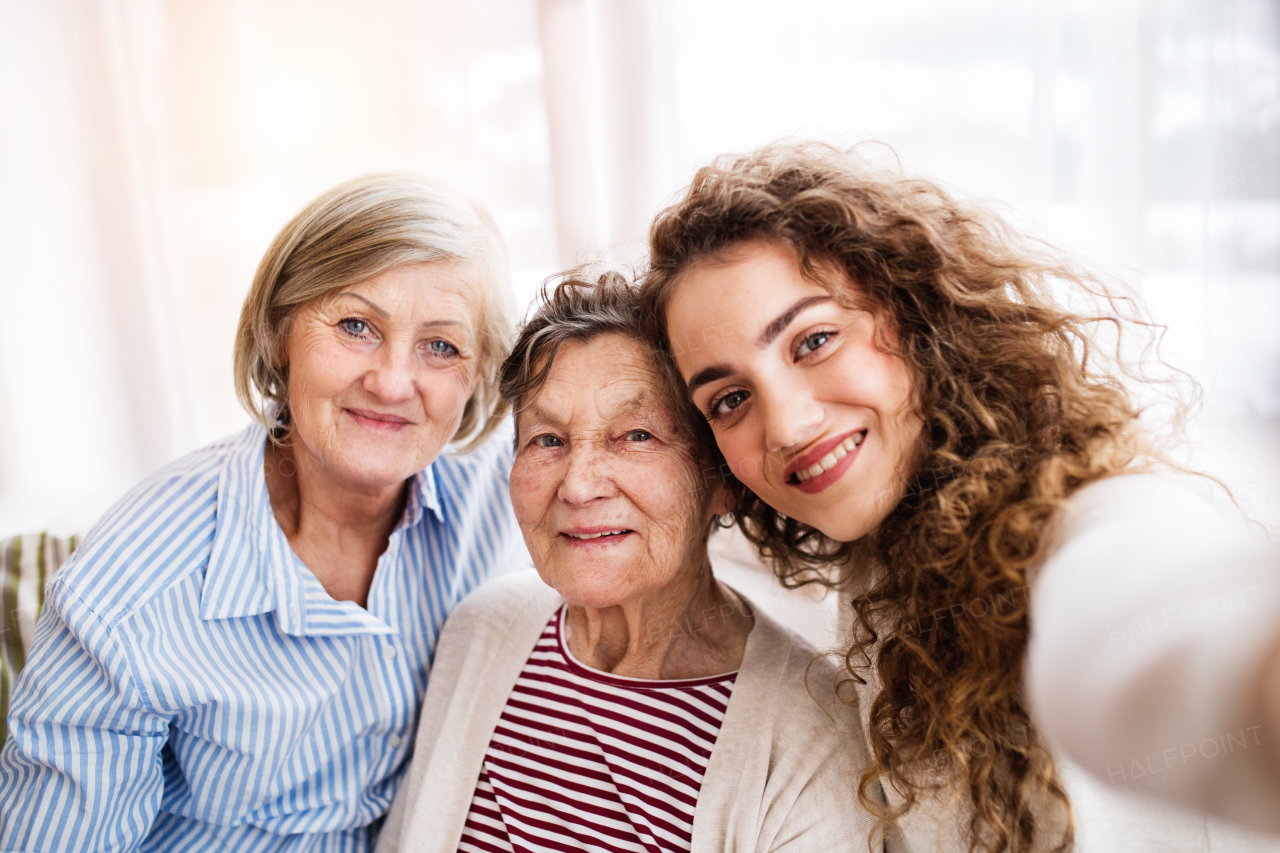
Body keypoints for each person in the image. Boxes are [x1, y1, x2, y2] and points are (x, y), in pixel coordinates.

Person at [639, 141, 1280, 852]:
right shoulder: (881, 542)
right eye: (730, 398)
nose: (788, 424)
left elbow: (1145, 618)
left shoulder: (1091, 519)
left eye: (814, 340)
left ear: (914, 311)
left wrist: (1243, 676)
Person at [0, 173, 525, 851]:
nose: (394, 381)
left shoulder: (510, 488)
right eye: (356, 326)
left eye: (441, 346)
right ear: (281, 331)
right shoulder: (130, 591)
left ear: (482, 371)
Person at [374, 273, 884, 853]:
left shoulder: (812, 739)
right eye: (546, 439)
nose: (579, 485)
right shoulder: (482, 628)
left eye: (636, 435)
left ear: (724, 482)